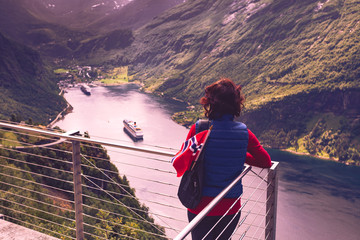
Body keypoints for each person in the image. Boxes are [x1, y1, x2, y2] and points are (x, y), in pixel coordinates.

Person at [182, 78, 272, 239]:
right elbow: (265, 161)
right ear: (236, 104)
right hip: (229, 208)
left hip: (199, 205)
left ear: (210, 103)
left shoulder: (199, 129)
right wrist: (237, 154)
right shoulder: (245, 133)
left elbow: (185, 160)